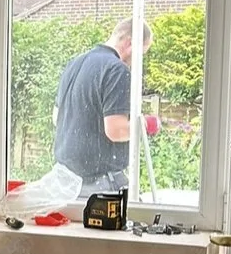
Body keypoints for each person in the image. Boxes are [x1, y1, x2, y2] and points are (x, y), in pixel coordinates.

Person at [52, 19, 157, 197]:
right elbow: (116, 130)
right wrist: (146, 124)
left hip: (66, 183)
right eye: (141, 53)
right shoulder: (117, 70)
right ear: (130, 43)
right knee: (136, 212)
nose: (138, 61)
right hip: (99, 186)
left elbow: (57, 118)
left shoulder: (74, 64)